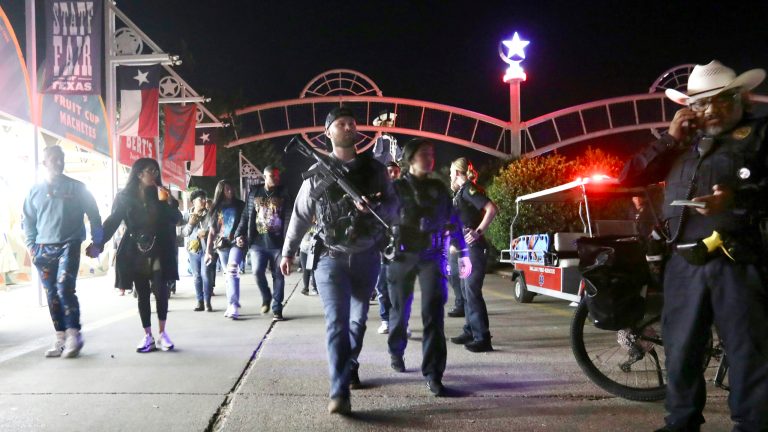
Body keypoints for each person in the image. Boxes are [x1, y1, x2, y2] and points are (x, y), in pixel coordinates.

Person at [620, 60, 768, 432]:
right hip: (684, 262)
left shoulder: (760, 134)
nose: (710, 110)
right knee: (682, 351)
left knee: (748, 352)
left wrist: (736, 198)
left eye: (720, 100)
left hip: (737, 259)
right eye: (700, 103)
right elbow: (628, 177)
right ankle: (681, 423)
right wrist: (669, 139)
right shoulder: (682, 142)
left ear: (738, 98)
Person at [279, 106, 398, 415]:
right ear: (328, 132)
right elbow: (301, 214)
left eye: (351, 123)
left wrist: (373, 207)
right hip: (330, 258)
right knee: (337, 323)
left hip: (366, 256)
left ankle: (350, 364)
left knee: (357, 323)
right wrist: (288, 251)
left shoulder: (375, 170)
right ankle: (339, 391)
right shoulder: (318, 172)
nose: (348, 127)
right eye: (340, 123)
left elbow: (394, 209)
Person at [386, 138, 472, 397]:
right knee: (399, 311)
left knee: (434, 314)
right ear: (411, 157)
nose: (429, 157)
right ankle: (396, 349)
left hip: (432, 255)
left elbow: (454, 220)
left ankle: (434, 373)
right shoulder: (395, 188)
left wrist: (464, 253)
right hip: (402, 256)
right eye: (423, 153)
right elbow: (379, 218)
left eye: (431, 153)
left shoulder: (438, 188)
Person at [91, 158, 182, 353]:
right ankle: (147, 335)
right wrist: (98, 243)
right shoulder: (124, 197)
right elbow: (113, 221)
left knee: (161, 289)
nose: (155, 175)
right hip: (135, 249)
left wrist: (169, 203)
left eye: (157, 171)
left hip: (159, 247)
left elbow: (176, 219)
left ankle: (162, 333)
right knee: (142, 293)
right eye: (151, 171)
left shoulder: (160, 194)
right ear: (139, 173)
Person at [22, 145, 103, 358]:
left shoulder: (78, 188)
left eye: (61, 159)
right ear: (44, 163)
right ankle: (60, 337)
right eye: (54, 159)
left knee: (65, 287)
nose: (59, 162)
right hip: (43, 248)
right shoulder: (34, 190)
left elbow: (95, 215)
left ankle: (74, 334)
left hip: (70, 243)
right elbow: (28, 221)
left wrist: (98, 242)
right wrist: (31, 246)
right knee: (51, 294)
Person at [448, 157, 498, 353]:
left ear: (458, 173)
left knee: (472, 292)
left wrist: (478, 232)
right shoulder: (460, 193)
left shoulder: (469, 189)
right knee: (466, 291)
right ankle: (470, 330)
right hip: (463, 250)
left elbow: (491, 209)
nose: (450, 176)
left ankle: (482, 337)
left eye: (451, 172)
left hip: (474, 250)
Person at [236, 166, 291, 321]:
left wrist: (291, 243)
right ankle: (266, 296)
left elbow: (290, 217)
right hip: (258, 243)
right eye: (273, 175)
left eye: (278, 175)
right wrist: (239, 234)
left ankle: (277, 309)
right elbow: (246, 216)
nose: (276, 178)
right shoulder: (254, 193)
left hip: (279, 244)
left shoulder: (284, 194)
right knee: (257, 271)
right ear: (265, 176)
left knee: (279, 276)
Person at [206, 180, 246, 319]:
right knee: (228, 275)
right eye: (226, 189)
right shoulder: (216, 208)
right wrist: (208, 251)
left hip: (237, 243)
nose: (230, 191)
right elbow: (212, 232)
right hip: (222, 245)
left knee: (232, 270)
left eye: (231, 188)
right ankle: (231, 303)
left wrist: (244, 237)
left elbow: (247, 222)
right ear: (221, 191)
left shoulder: (240, 205)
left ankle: (233, 305)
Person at [374, 161, 401, 334]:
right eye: (389, 171)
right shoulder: (377, 193)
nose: (392, 175)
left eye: (395, 171)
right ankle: (385, 320)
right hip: (380, 247)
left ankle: (400, 323)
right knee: (381, 286)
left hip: (400, 246)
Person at [183, 190, 213, 312]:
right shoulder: (187, 215)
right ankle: (199, 301)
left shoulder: (210, 213)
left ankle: (207, 302)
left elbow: (215, 228)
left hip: (207, 249)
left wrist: (207, 233)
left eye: (204, 198)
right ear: (194, 202)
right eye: (201, 199)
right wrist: (190, 224)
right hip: (193, 249)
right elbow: (183, 233)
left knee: (206, 275)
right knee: (196, 276)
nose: (203, 201)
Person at [298, 223, 319, 296]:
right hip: (304, 250)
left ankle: (315, 287)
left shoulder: (317, 226)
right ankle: (305, 288)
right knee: (305, 269)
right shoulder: (303, 224)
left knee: (313, 269)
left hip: (313, 251)